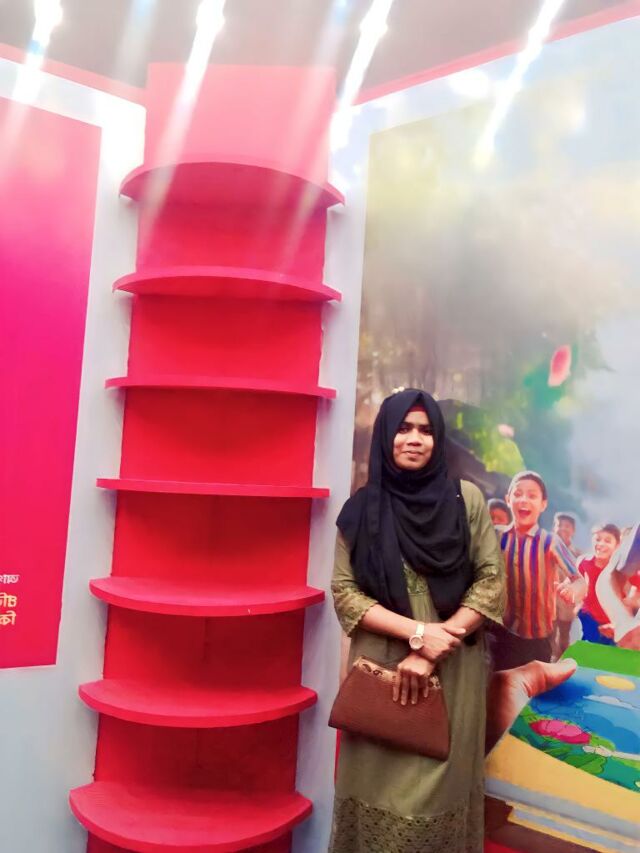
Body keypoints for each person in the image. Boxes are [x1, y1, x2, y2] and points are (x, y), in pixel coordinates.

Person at [330, 389, 505, 853]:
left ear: (438, 439)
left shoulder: (466, 500)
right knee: (375, 784)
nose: (414, 439)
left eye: (426, 430)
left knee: (437, 791)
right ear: (385, 435)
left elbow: (491, 582)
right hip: (381, 666)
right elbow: (345, 592)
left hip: (453, 666)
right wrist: (418, 634)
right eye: (404, 428)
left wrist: (432, 650)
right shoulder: (361, 510)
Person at [489, 471, 583, 669]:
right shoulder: (497, 536)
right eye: (518, 494)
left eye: (532, 495)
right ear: (508, 499)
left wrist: (573, 589)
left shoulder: (550, 541)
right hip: (503, 632)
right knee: (501, 679)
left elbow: (579, 580)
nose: (524, 500)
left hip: (538, 637)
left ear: (543, 504)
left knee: (535, 683)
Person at [574, 524, 620, 644]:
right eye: (597, 539)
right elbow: (577, 582)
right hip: (589, 616)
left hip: (612, 621)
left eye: (607, 541)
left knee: (610, 650)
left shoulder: (620, 568)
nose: (601, 544)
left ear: (617, 545)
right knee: (591, 646)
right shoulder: (584, 562)